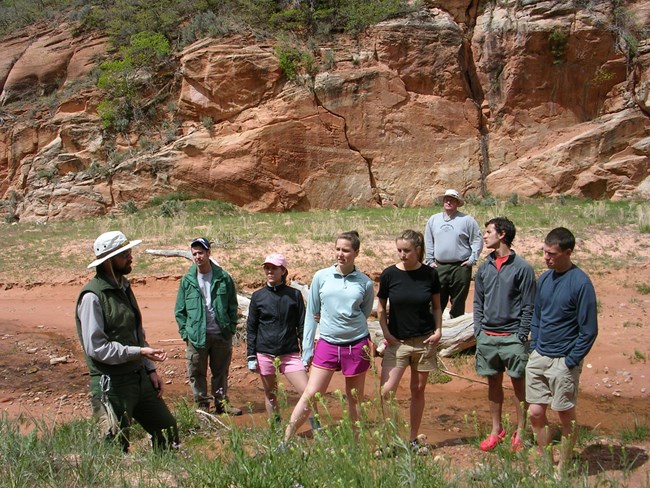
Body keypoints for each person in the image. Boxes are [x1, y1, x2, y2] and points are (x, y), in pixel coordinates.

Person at [75, 231, 179, 452]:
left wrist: (150, 370)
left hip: (138, 377)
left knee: (167, 429)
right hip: (111, 384)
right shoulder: (92, 296)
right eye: (124, 254)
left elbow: (136, 332)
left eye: (129, 252)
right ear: (108, 261)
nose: (130, 257)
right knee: (114, 446)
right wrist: (139, 352)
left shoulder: (124, 286)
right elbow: (97, 348)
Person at [284, 231, 375, 442]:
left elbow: (364, 312)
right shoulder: (321, 276)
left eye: (346, 250)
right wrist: (307, 350)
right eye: (337, 249)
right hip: (327, 343)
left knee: (355, 398)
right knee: (312, 393)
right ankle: (286, 439)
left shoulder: (365, 283)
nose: (340, 254)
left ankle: (355, 443)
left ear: (356, 253)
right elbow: (311, 314)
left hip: (356, 345)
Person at [526, 227, 598, 472]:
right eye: (544, 252)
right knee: (535, 413)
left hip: (563, 360)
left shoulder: (581, 283)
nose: (546, 258)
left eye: (552, 254)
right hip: (539, 355)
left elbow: (588, 330)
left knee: (565, 414)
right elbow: (538, 315)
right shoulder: (545, 278)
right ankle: (546, 462)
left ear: (568, 252)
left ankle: (563, 466)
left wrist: (571, 360)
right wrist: (534, 346)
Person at [473, 217, 536, 452]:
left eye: (488, 231)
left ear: (502, 235)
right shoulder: (484, 267)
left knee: (519, 386)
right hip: (487, 336)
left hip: (513, 338)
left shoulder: (522, 268)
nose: (485, 235)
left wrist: (521, 334)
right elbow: (478, 300)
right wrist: (478, 330)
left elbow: (529, 305)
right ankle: (496, 430)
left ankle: (521, 431)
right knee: (493, 384)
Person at [377, 230, 442, 452]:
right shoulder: (389, 275)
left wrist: (439, 330)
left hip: (424, 341)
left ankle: (413, 439)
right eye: (399, 250)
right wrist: (385, 333)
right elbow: (380, 307)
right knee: (386, 391)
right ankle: (390, 439)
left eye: (406, 250)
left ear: (418, 250)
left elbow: (436, 306)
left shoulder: (430, 275)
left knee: (418, 389)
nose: (402, 255)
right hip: (397, 342)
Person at [246, 253, 316, 427]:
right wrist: (251, 356)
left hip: (290, 354)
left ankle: (318, 429)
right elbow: (252, 327)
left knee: (308, 393)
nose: (269, 271)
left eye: (274, 268)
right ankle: (275, 429)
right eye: (267, 268)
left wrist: (306, 353)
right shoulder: (258, 296)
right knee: (271, 393)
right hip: (264, 353)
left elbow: (302, 325)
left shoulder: (294, 295)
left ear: (283, 270)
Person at [175, 237, 242, 415]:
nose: (198, 257)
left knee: (220, 372)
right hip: (196, 336)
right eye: (195, 253)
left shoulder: (223, 277)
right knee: (196, 372)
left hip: (221, 334)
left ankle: (221, 404)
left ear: (208, 253)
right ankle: (202, 405)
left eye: (201, 253)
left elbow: (232, 306)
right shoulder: (187, 280)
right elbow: (179, 311)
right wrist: (185, 333)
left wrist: (231, 328)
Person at [424, 189, 483, 318]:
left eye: (452, 199)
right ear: (443, 201)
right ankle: (431, 329)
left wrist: (473, 258)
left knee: (458, 302)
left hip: (461, 267)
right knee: (436, 300)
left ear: (457, 202)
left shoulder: (467, 220)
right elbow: (428, 240)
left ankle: (456, 327)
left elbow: (477, 239)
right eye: (446, 199)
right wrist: (429, 260)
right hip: (439, 266)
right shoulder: (434, 220)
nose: (449, 201)